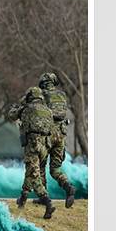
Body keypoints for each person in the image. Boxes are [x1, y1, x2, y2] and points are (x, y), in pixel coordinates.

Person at [7, 86, 55, 218]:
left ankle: (47, 202)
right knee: (31, 171)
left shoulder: (26, 108)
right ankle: (23, 198)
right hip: (45, 146)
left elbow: (11, 115)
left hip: (33, 146)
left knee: (34, 175)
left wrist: (18, 106)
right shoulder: (48, 110)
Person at [38, 72, 77, 208]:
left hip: (47, 135)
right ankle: (68, 187)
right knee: (55, 169)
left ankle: (43, 197)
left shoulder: (41, 95)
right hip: (61, 135)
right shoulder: (62, 95)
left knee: (40, 166)